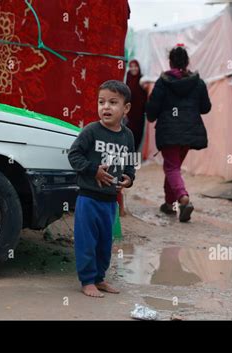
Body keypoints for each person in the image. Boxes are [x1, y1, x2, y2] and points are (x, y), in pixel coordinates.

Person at [68, 80, 136, 298]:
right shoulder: (91, 131)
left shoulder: (128, 136)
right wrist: (92, 170)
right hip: (88, 197)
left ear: (126, 108)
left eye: (113, 102)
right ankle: (87, 281)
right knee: (86, 240)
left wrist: (129, 179)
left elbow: (130, 164)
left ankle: (99, 278)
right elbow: (74, 155)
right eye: (101, 102)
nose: (106, 107)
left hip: (110, 200)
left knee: (105, 243)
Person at [146, 45, 211, 222]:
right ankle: (169, 205)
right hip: (189, 133)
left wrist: (151, 116)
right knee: (172, 167)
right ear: (187, 61)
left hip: (168, 131)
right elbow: (206, 108)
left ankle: (183, 198)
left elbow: (153, 107)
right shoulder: (197, 82)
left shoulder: (163, 81)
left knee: (171, 167)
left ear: (171, 62)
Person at [125, 60, 148, 152]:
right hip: (128, 114)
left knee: (138, 135)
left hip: (139, 114)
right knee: (128, 135)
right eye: (131, 66)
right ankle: (126, 158)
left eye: (135, 66)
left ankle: (133, 159)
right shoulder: (128, 78)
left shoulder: (142, 80)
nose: (133, 68)